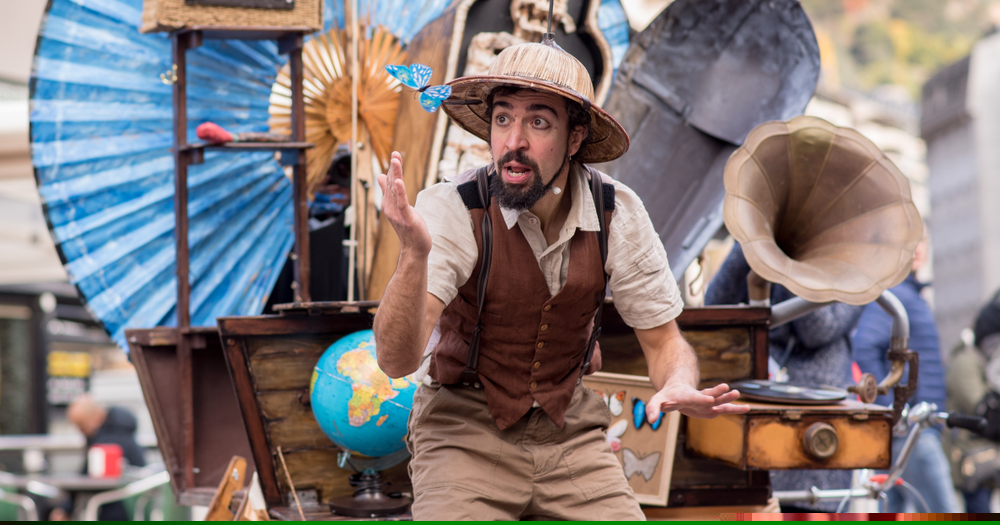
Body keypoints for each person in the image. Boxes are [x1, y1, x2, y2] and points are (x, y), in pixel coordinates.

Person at [373, 40, 749, 520]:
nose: (514, 142)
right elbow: (394, 361)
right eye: (503, 118)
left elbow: (663, 342)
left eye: (538, 122)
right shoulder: (452, 208)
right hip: (463, 430)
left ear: (574, 139)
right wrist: (413, 253)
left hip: (570, 432)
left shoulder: (618, 211)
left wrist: (677, 382)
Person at [704, 242, 864, 513]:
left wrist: (787, 261)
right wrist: (748, 243)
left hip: (819, 414)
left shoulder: (860, 262)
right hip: (762, 401)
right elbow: (715, 304)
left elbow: (819, 329)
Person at [853, 234, 959, 513]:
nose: (917, 248)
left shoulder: (908, 294)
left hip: (909, 427)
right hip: (912, 430)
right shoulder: (897, 295)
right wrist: (896, 408)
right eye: (907, 240)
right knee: (944, 512)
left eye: (922, 239)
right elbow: (864, 347)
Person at [943, 289, 1000, 513]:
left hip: (984, 457)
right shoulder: (965, 363)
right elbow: (987, 413)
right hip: (969, 459)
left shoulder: (981, 363)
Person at [50, 395, 146, 521]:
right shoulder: (120, 430)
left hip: (119, 508)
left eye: (82, 426)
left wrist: (65, 508)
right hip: (139, 504)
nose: (81, 432)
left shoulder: (104, 442)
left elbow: (86, 478)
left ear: (95, 418)